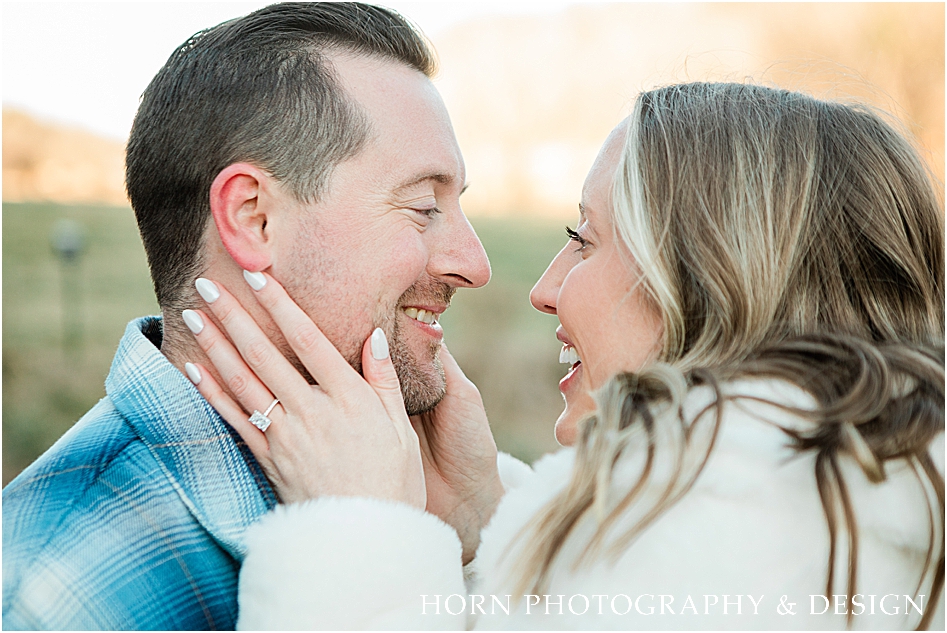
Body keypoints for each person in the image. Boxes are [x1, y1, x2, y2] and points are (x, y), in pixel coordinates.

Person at [186, 82, 944, 629]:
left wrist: (356, 537)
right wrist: (486, 521)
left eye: (584, 240)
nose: (542, 289)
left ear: (710, 277)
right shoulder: (840, 513)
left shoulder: (725, 550)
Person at [1, 3, 497, 629]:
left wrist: (477, 543)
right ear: (253, 218)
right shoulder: (55, 595)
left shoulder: (412, 494)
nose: (474, 264)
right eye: (424, 207)